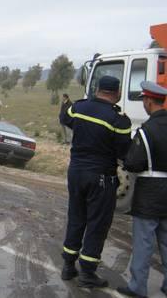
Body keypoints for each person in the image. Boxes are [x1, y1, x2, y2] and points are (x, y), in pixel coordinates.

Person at [60, 75, 132, 288]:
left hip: (76, 172)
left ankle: (68, 265)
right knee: (97, 224)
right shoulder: (119, 120)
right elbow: (124, 152)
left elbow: (65, 118)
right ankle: (88, 273)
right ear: (116, 92)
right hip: (101, 177)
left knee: (76, 216)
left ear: (98, 89)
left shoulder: (79, 108)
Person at [117, 81, 167, 298]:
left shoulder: (146, 130)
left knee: (144, 242)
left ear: (148, 101)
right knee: (166, 241)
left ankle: (138, 287)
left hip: (149, 190)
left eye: (144, 101)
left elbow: (133, 163)